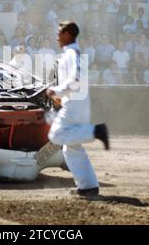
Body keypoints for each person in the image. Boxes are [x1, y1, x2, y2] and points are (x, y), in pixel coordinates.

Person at [47, 22, 109, 198]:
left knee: (56, 135)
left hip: (75, 105)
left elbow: (76, 79)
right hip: (74, 102)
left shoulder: (72, 53)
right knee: (71, 149)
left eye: (60, 33)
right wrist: (61, 95)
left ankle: (96, 131)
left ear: (67, 35)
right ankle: (88, 187)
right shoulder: (69, 53)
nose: (57, 36)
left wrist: (56, 91)